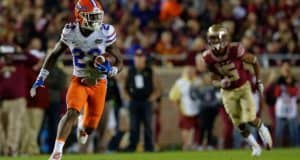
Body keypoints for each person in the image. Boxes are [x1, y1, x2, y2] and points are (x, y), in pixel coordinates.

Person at [29, 0, 123, 159]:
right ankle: (57, 151)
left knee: (90, 128)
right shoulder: (70, 32)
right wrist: (41, 77)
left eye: (97, 16)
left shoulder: (105, 31)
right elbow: (54, 55)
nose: (96, 21)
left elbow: (119, 60)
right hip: (79, 80)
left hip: (99, 82)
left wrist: (111, 69)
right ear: (79, 16)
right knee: (71, 112)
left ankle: (82, 124)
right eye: (91, 17)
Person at [197, 24, 272, 156]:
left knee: (250, 118)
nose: (214, 42)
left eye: (217, 38)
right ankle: (255, 146)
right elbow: (213, 79)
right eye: (212, 39)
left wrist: (259, 80)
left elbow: (254, 61)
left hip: (243, 87)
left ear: (225, 38)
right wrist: (221, 82)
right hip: (227, 92)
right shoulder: (208, 57)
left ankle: (262, 129)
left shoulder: (235, 49)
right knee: (238, 124)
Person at [123, 49, 160, 152]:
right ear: (134, 59)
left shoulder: (150, 71)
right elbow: (125, 87)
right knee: (133, 125)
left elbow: (157, 88)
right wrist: (128, 98)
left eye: (141, 57)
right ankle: (132, 146)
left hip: (146, 101)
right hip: (134, 101)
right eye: (137, 57)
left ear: (144, 58)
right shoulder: (130, 71)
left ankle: (149, 146)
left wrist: (151, 98)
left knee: (148, 124)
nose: (139, 59)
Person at [169, 66, 201, 150]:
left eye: (192, 71)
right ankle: (186, 145)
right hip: (185, 110)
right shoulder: (180, 83)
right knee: (186, 128)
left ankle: (195, 145)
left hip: (198, 109)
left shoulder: (199, 81)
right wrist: (178, 109)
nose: (190, 73)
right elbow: (173, 97)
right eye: (188, 71)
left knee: (197, 128)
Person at [274, 62, 298, 147]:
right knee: (278, 132)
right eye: (284, 67)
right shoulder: (278, 80)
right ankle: (277, 149)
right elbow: (276, 94)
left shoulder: (294, 80)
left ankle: (296, 149)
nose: (286, 69)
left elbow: (296, 94)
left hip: (292, 111)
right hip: (281, 111)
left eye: (287, 67)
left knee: (294, 132)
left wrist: (289, 85)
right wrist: (287, 85)